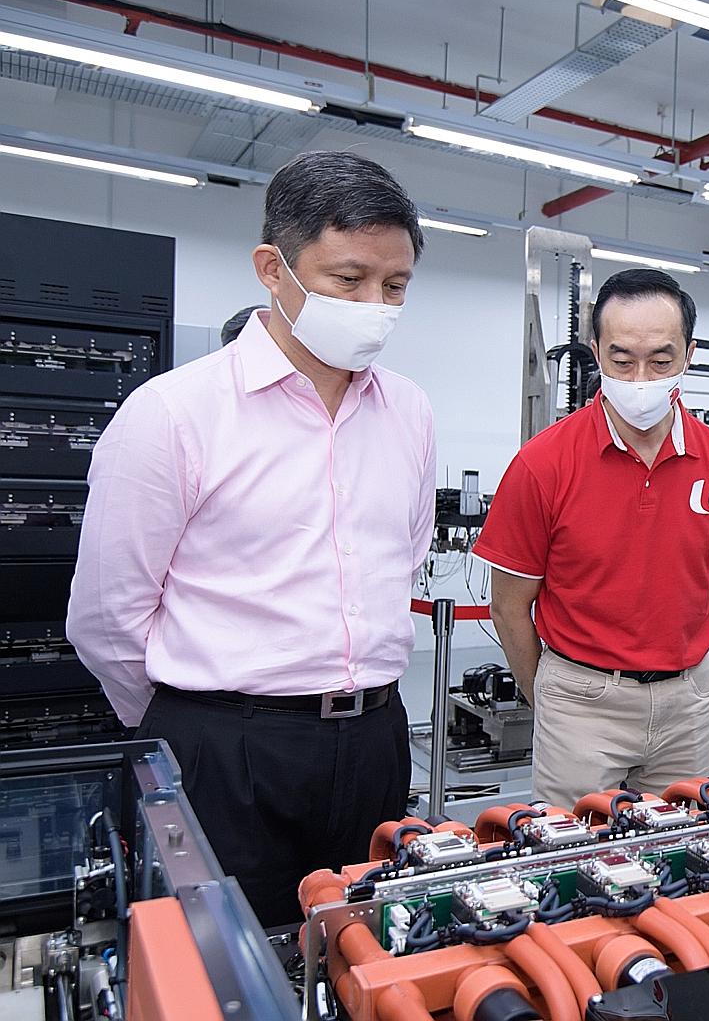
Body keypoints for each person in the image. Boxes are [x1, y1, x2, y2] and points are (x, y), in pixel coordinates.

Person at [67, 151, 435, 927]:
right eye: (349, 279)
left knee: (362, 954)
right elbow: (107, 617)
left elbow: (403, 558)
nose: (376, 303)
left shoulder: (410, 412)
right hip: (223, 751)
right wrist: (198, 723)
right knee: (227, 969)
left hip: (373, 739)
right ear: (273, 269)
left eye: (395, 285)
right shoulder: (173, 414)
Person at [476, 269, 709, 808]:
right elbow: (510, 607)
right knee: (575, 865)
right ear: (595, 353)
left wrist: (671, 649)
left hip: (688, 703)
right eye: (621, 359)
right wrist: (553, 694)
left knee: (688, 863)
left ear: (689, 354)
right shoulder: (544, 464)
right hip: (581, 701)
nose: (640, 378)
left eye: (661, 359)